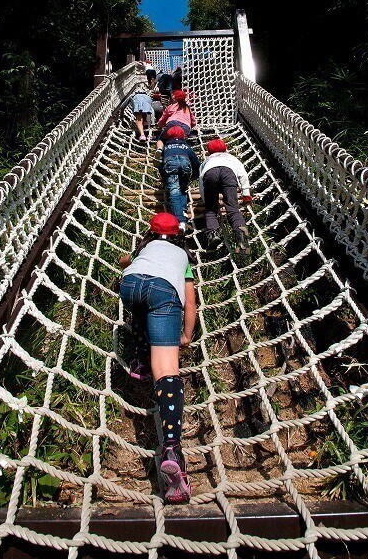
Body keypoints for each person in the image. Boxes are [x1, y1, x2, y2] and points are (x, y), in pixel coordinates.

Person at [119, 212, 196, 503]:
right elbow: (190, 304)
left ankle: (139, 359)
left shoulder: (144, 249)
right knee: (166, 368)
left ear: (151, 232)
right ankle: (172, 448)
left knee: (140, 306)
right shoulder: (182, 257)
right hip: (163, 289)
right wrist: (186, 336)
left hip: (130, 284)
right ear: (178, 235)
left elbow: (126, 263)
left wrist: (127, 262)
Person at [199, 139, 252, 254]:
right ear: (226, 149)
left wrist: (206, 200)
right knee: (233, 210)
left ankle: (213, 234)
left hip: (210, 174)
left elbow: (201, 181)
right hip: (228, 173)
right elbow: (243, 174)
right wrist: (246, 193)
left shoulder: (206, 162)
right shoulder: (231, 158)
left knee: (211, 210)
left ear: (208, 152)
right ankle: (241, 236)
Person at [160, 126, 201, 233]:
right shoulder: (186, 147)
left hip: (171, 164)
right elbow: (195, 162)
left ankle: (179, 221)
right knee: (182, 189)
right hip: (185, 165)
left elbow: (161, 165)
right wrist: (195, 175)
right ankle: (182, 214)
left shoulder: (165, 148)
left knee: (174, 191)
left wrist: (164, 178)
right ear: (183, 136)